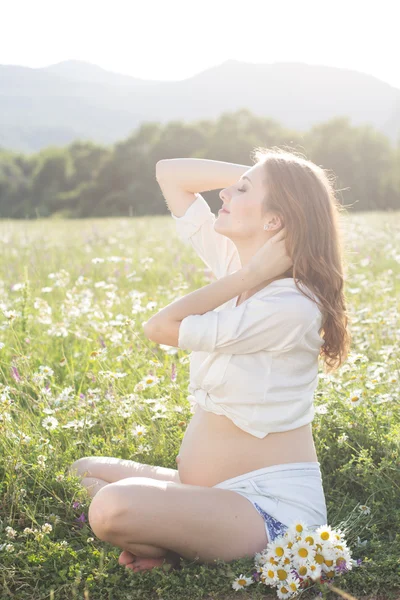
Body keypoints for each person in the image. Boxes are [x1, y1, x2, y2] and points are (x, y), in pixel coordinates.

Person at [68, 147, 351, 573]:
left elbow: (159, 327)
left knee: (110, 507)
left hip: (268, 511)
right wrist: (272, 179)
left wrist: (249, 272)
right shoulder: (235, 262)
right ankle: (177, 534)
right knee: (81, 472)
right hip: (205, 490)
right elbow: (169, 172)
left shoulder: (289, 304)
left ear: (274, 220)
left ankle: (175, 545)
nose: (223, 194)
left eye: (240, 191)